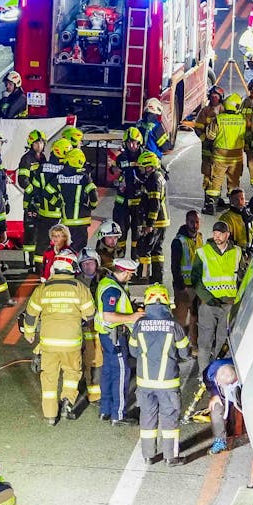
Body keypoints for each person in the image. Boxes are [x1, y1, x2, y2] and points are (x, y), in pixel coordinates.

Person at [22, 250, 94, 425]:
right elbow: (90, 314)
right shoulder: (80, 288)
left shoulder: (42, 289)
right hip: (71, 344)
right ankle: (68, 400)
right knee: (71, 373)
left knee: (48, 378)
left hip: (48, 344)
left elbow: (30, 315)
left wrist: (29, 333)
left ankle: (50, 415)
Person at [130, 284, 190, 464]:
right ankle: (170, 457)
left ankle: (148, 456)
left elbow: (133, 351)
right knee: (169, 419)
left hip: (145, 383)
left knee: (147, 418)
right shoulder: (174, 325)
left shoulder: (139, 325)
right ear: (166, 302)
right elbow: (185, 353)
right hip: (167, 384)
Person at [192, 221, 245, 376]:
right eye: (215, 233)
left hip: (228, 304)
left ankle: (218, 376)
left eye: (220, 234)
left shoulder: (237, 252)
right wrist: (207, 298)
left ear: (227, 235)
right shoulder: (203, 252)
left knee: (223, 343)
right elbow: (195, 279)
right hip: (208, 305)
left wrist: (238, 299)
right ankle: (205, 376)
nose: (216, 236)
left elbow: (242, 276)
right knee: (205, 344)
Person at [96, 257, 144, 424]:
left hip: (106, 335)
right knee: (122, 372)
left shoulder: (106, 283)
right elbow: (108, 315)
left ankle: (105, 410)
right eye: (131, 274)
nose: (131, 277)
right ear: (124, 272)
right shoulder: (113, 290)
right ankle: (119, 415)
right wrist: (133, 316)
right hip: (114, 336)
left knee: (108, 372)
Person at [206, 93, 248, 213]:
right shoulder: (242, 120)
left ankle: (211, 206)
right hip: (236, 157)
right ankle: (234, 206)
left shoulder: (218, 119)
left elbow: (210, 136)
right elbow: (246, 136)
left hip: (220, 156)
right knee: (234, 182)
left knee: (216, 180)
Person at [54, 140, 99, 249]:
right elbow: (94, 195)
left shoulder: (59, 176)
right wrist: (92, 206)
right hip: (81, 222)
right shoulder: (84, 177)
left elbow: (49, 193)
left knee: (66, 249)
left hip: (66, 221)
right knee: (80, 250)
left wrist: (57, 204)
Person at [133, 151, 169, 283]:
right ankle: (157, 277)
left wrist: (149, 224)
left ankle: (143, 276)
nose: (141, 169)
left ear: (149, 166)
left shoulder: (153, 180)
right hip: (162, 220)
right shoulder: (159, 176)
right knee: (156, 250)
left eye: (143, 167)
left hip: (156, 221)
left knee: (145, 248)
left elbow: (154, 204)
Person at [77, 249, 105, 408]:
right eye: (85, 264)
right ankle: (92, 393)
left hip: (102, 327)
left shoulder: (105, 279)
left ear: (97, 263)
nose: (88, 266)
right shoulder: (77, 283)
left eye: (91, 263)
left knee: (98, 361)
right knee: (90, 361)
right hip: (85, 329)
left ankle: (95, 392)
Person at [170, 210, 203, 345]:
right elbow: (175, 267)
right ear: (186, 222)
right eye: (191, 222)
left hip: (197, 287)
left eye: (196, 222)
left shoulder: (200, 237)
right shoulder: (178, 241)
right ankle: (179, 346)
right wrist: (181, 287)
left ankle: (194, 345)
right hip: (184, 288)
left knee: (195, 319)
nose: (194, 225)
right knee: (181, 320)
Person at [17, 130, 48, 259]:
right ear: (31, 143)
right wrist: (33, 194)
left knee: (39, 232)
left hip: (40, 200)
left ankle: (36, 260)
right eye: (37, 142)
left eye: (41, 142)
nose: (40, 145)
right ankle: (28, 261)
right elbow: (22, 180)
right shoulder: (27, 159)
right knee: (30, 233)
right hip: (30, 202)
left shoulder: (43, 158)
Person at [194, 86, 225, 207]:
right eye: (211, 96)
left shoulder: (224, 110)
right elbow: (198, 127)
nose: (213, 98)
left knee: (219, 174)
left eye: (216, 96)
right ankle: (208, 199)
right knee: (208, 174)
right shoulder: (205, 111)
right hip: (207, 150)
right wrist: (204, 139)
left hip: (221, 148)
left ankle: (217, 197)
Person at [203, 360, 241, 455]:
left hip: (237, 385)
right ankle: (220, 441)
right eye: (219, 382)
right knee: (215, 410)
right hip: (220, 391)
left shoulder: (241, 366)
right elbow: (210, 384)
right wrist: (215, 394)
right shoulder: (209, 373)